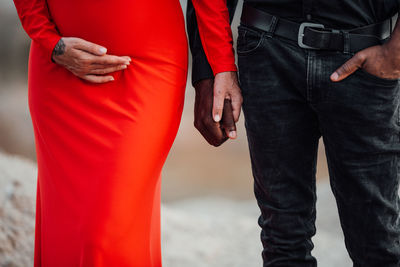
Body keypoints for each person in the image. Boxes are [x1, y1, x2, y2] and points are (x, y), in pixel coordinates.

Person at [12, 0, 240, 266]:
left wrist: (220, 64)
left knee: (109, 230)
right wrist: (48, 40)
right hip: (59, 70)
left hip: (146, 68)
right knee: (68, 228)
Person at [187, 0, 400, 266]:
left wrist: (396, 52)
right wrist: (209, 70)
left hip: (364, 51)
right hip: (268, 48)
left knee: (377, 239)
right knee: (282, 238)